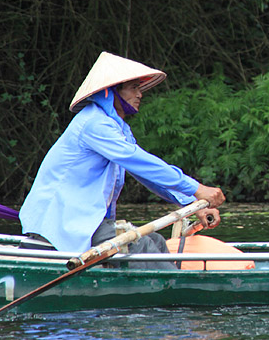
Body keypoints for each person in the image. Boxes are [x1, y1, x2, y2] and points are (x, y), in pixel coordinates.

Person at [19, 52, 225, 267]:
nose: (140, 94)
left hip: (85, 222)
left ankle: (171, 283)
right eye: (133, 88)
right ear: (110, 92)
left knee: (154, 240)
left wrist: (191, 202)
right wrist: (196, 188)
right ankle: (175, 287)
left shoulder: (118, 128)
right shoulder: (94, 123)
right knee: (140, 245)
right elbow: (139, 161)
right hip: (61, 221)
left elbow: (146, 174)